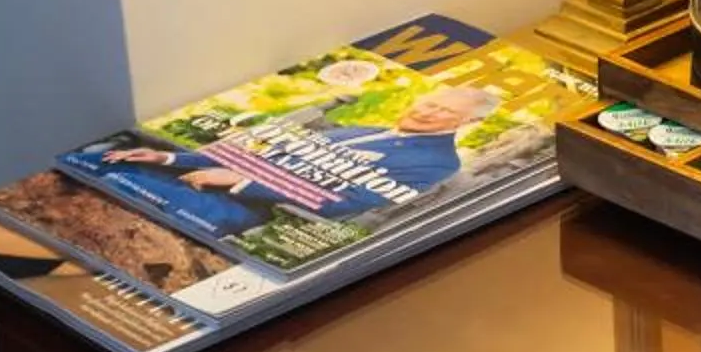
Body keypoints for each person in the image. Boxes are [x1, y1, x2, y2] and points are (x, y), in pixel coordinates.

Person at [88, 84, 498, 239]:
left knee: (115, 193)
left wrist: (240, 181)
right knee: (105, 164)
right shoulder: (358, 128)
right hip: (201, 181)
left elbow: (347, 201)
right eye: (430, 102)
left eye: (445, 111)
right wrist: (165, 155)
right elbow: (262, 151)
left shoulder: (439, 162)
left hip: (242, 208)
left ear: (470, 121)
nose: (428, 112)